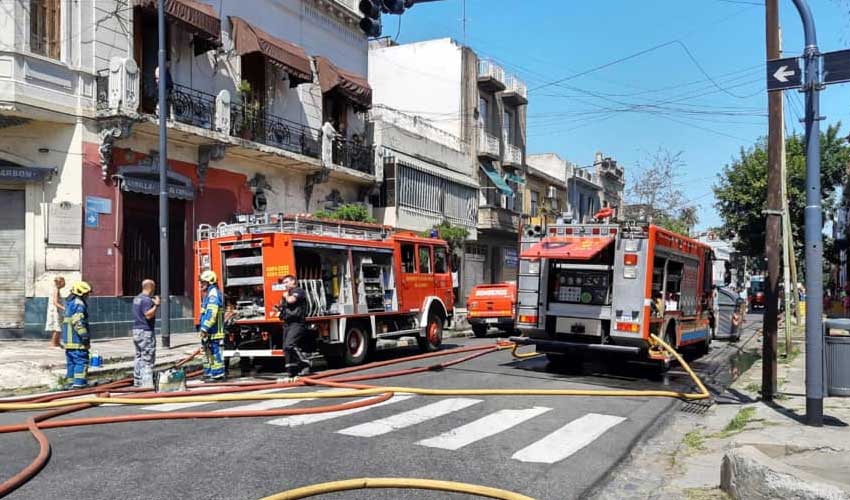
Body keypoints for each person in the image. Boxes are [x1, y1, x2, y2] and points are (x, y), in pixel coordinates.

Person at [278, 275, 311, 378]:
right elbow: (285, 306)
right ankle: (291, 370)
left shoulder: (299, 291)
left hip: (297, 323)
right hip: (287, 323)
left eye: (287, 282)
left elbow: (291, 300)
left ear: (293, 282)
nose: (285, 284)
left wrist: (286, 297)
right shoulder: (286, 294)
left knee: (290, 344)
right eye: (284, 283)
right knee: (286, 348)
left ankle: (305, 363)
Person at [63, 281, 92, 389]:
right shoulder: (79, 304)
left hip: (68, 342)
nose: (88, 296)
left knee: (71, 363)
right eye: (87, 293)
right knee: (81, 361)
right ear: (81, 293)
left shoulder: (69, 304)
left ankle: (71, 382)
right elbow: (78, 321)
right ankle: (79, 383)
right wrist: (84, 335)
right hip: (77, 341)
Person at [132, 279, 160, 387]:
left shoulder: (137, 298)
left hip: (136, 331)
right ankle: (146, 384)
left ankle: (137, 381)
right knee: (147, 358)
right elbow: (148, 315)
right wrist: (156, 305)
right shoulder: (146, 300)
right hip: (145, 332)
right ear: (151, 287)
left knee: (139, 357)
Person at [198, 270, 225, 381]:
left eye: (203, 282)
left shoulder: (213, 294)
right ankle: (209, 372)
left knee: (214, 352)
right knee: (207, 352)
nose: (201, 284)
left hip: (213, 330)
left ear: (210, 282)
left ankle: (217, 374)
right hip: (209, 330)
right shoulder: (209, 293)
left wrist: (205, 328)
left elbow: (211, 314)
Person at [45, 276, 66, 348]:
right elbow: (55, 302)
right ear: (60, 282)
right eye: (64, 282)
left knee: (58, 326)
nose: (65, 284)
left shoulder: (56, 289)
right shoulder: (55, 289)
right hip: (55, 311)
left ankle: (57, 343)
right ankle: (53, 344)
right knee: (56, 327)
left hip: (56, 310)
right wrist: (64, 308)